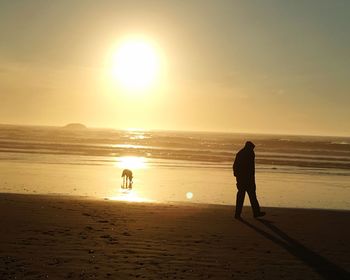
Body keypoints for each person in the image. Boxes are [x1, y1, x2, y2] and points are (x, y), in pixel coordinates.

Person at [233, 141, 265, 219]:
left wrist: (237, 176)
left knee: (242, 196)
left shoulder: (241, 153)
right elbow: (250, 169)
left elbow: (235, 166)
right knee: (252, 196)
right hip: (248, 179)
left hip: (242, 179)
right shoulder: (250, 153)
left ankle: (238, 214)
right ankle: (256, 212)